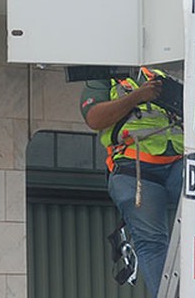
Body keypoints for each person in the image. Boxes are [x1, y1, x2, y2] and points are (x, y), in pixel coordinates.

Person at [79, 67, 184, 297]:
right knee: (152, 242)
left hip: (178, 163)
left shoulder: (161, 76)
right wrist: (137, 96)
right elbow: (94, 118)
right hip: (134, 170)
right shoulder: (106, 77)